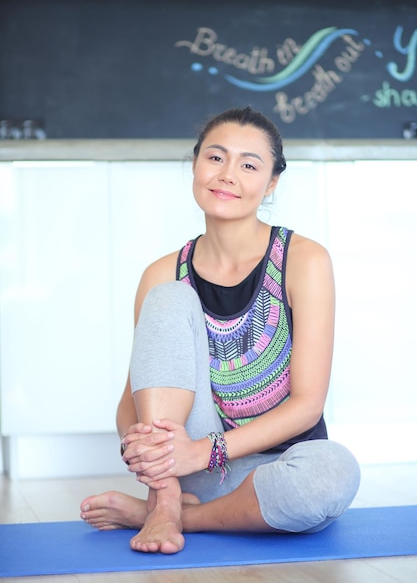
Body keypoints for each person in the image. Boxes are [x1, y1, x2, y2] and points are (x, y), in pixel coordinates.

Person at [80, 106, 360, 554]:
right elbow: (129, 404)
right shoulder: (161, 272)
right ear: (195, 165)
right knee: (169, 295)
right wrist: (157, 460)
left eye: (249, 165)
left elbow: (308, 406)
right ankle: (167, 500)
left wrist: (203, 452)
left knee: (333, 473)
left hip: (281, 469)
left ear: (270, 184)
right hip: (193, 474)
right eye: (215, 157)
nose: (228, 174)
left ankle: (168, 515)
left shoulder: (304, 260)